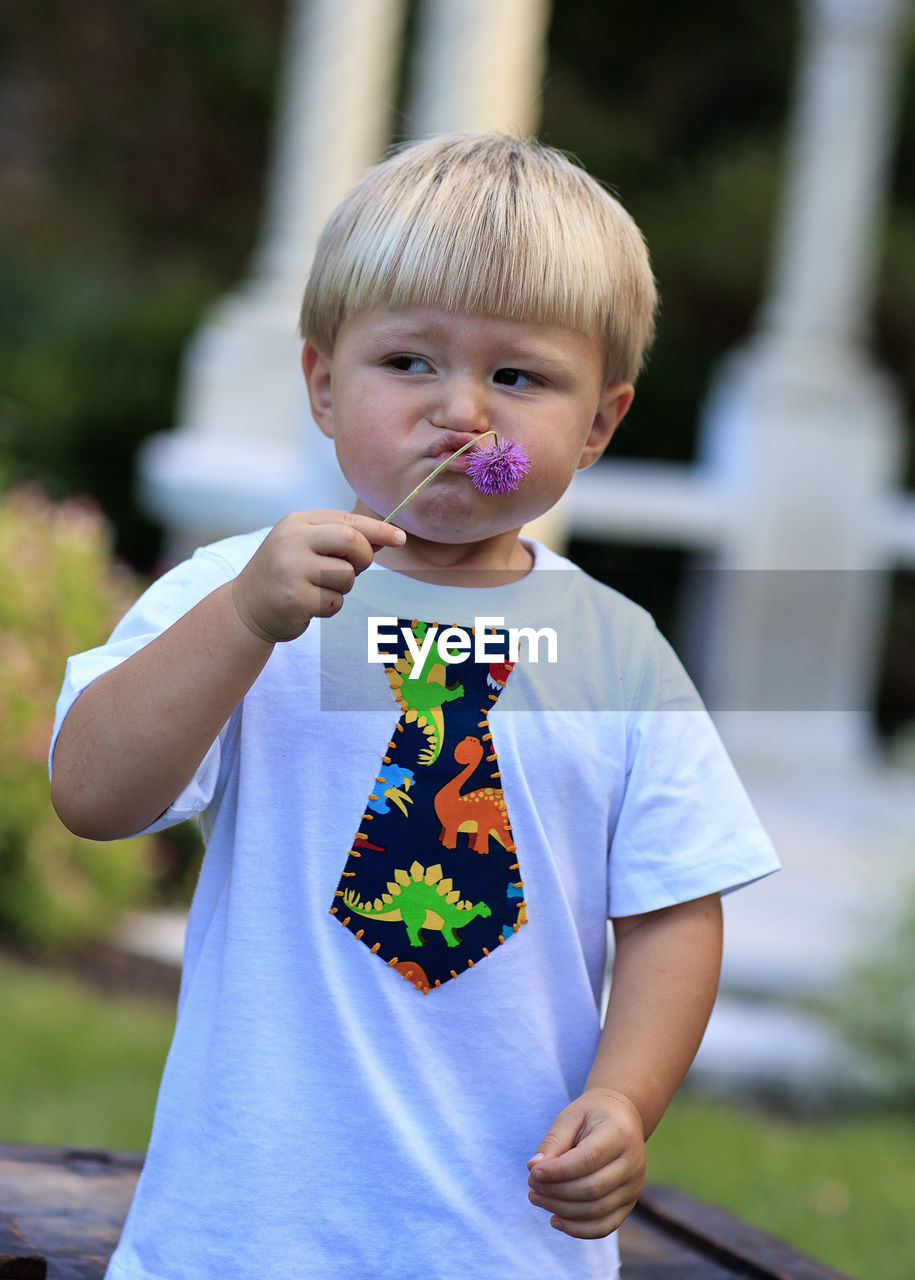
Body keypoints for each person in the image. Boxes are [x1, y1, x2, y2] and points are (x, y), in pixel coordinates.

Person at [50, 133, 779, 1280]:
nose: (461, 413)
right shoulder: (236, 594)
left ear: (598, 424)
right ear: (324, 384)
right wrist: (244, 622)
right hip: (246, 1235)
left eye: (519, 377)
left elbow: (675, 908)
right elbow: (92, 794)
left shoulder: (620, 652)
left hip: (507, 1241)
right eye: (408, 361)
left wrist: (625, 1097)